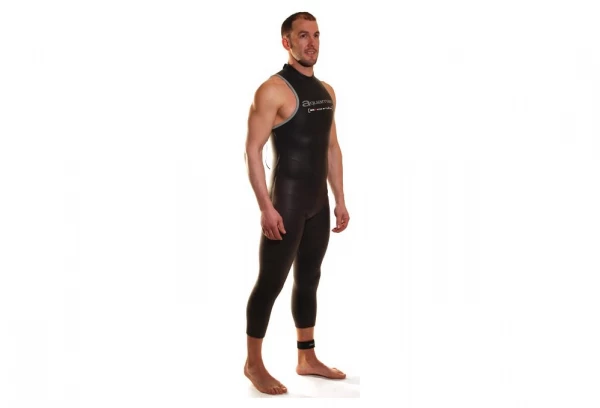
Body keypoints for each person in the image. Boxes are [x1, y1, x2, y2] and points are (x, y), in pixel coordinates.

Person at [243, 11, 350, 395]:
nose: (312, 43)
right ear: (286, 42)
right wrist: (265, 207)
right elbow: (252, 150)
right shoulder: (272, 90)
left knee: (309, 278)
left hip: (318, 203)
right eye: (303, 36)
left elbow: (332, 147)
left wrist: (340, 199)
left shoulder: (327, 91)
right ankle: (253, 364)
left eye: (316, 35)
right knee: (270, 282)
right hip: (286, 203)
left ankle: (306, 357)